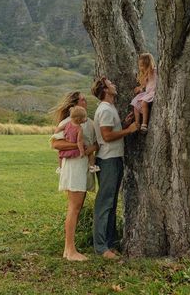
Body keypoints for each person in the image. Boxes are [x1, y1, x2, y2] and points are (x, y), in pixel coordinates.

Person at [92, 76, 138, 259]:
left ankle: (109, 244)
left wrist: (124, 124)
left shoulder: (110, 108)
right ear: (104, 89)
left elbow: (111, 131)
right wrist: (129, 130)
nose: (115, 84)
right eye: (111, 83)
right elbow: (107, 136)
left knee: (111, 203)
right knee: (104, 204)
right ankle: (101, 248)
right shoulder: (104, 109)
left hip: (115, 158)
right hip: (108, 159)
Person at [51, 91, 98, 261]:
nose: (86, 101)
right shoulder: (68, 122)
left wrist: (88, 149)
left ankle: (68, 249)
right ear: (75, 104)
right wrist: (77, 145)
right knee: (74, 207)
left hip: (83, 167)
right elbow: (55, 143)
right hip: (73, 168)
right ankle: (70, 250)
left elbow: (94, 144)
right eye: (83, 99)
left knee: (77, 206)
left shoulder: (89, 122)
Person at [58, 105, 100, 173]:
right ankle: (92, 166)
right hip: (76, 149)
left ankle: (60, 167)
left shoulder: (68, 123)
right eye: (84, 117)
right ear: (79, 119)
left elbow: (60, 128)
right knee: (91, 154)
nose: (86, 119)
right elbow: (79, 141)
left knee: (60, 155)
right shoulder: (79, 128)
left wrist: (57, 131)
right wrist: (82, 151)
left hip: (68, 148)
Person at [130, 52, 157, 133]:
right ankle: (137, 123)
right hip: (148, 92)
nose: (140, 68)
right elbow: (145, 86)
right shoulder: (145, 74)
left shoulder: (154, 71)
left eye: (142, 65)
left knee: (144, 102)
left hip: (153, 92)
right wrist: (140, 89)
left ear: (148, 64)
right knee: (135, 104)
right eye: (139, 65)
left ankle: (144, 124)